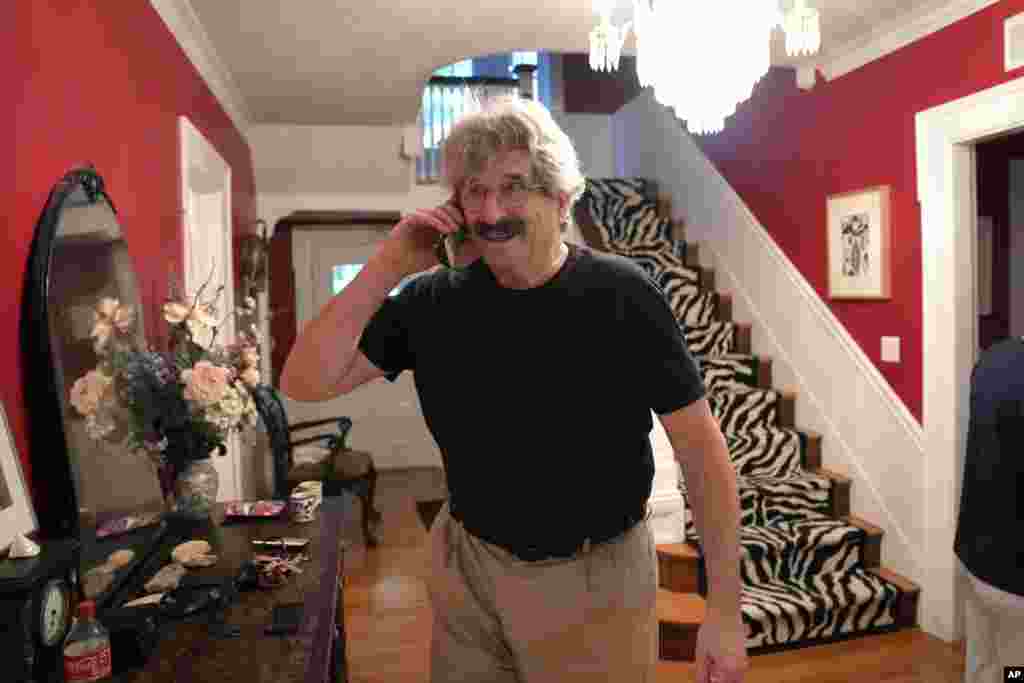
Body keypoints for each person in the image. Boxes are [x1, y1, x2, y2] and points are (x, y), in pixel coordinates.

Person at [281, 95, 747, 683]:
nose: (490, 210)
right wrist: (387, 267)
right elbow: (304, 381)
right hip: (467, 563)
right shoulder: (433, 300)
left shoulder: (622, 295)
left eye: (513, 187)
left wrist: (724, 611)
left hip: (593, 578)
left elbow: (703, 454)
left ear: (559, 198)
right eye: (474, 191)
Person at [954, 335, 1024, 683]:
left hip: (975, 552)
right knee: (1016, 671)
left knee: (982, 665)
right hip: (1015, 574)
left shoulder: (993, 359)